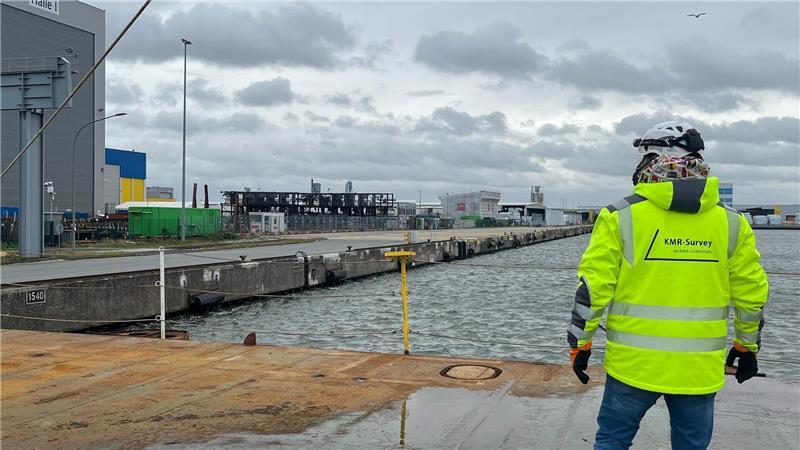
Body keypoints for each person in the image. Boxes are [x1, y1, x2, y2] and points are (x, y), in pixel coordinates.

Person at [567, 121, 769, 450]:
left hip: (633, 366)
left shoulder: (619, 216)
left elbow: (593, 290)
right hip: (698, 370)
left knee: (613, 440)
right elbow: (751, 295)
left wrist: (580, 344)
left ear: (652, 159)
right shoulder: (732, 223)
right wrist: (747, 348)